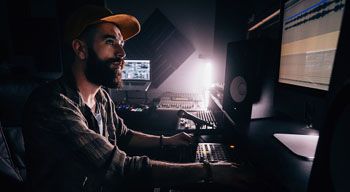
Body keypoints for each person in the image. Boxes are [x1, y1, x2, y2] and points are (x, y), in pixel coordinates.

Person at [23, 5, 251, 192]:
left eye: (122, 43)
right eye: (110, 42)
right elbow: (122, 170)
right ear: (80, 49)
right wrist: (209, 170)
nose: (122, 54)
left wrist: (167, 140)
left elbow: (124, 135)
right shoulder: (53, 105)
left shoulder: (100, 96)